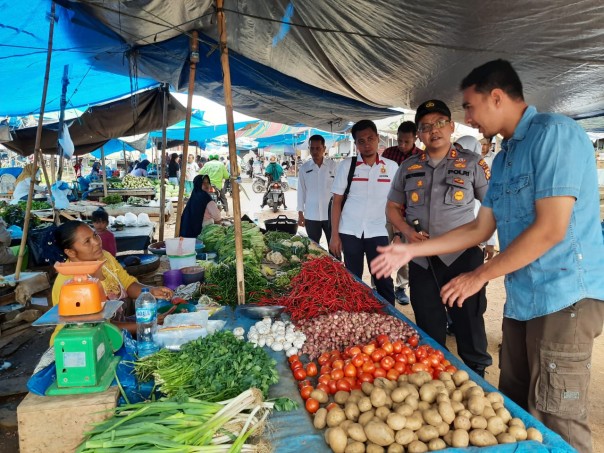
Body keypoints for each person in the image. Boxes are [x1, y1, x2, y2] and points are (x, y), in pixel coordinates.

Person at [371, 59, 604, 453]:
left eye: (469, 106)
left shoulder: (555, 135)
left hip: (565, 296)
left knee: (555, 415)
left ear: (496, 97)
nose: (467, 118)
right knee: (512, 405)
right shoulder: (504, 156)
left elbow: (550, 229)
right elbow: (480, 228)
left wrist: (479, 275)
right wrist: (412, 247)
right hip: (523, 298)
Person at [385, 100, 492, 376]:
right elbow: (393, 208)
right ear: (419, 134)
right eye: (426, 126)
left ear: (452, 126)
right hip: (422, 262)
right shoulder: (408, 167)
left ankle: (477, 376)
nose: (434, 130)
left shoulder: (472, 163)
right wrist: (406, 232)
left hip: (463, 258)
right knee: (429, 326)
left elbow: (493, 207)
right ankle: (435, 378)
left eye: (440, 123)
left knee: (468, 323)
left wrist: (488, 240)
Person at [51, 220, 173, 343]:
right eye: (87, 242)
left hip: (115, 333)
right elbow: (98, 326)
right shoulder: (71, 283)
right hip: (79, 343)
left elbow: (127, 283)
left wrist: (151, 291)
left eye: (95, 235)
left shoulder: (104, 257)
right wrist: (145, 325)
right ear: (70, 252)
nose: (97, 242)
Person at [329, 119, 397, 305]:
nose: (367, 144)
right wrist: (334, 235)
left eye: (370, 138)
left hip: (378, 231)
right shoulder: (347, 166)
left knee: (383, 279)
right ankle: (354, 315)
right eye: (361, 141)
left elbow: (397, 205)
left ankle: (390, 317)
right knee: (353, 278)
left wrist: (398, 233)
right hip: (350, 230)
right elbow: (337, 202)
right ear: (356, 143)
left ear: (378, 139)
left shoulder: (391, 168)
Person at [381, 121, 422, 305]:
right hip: (387, 211)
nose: (402, 145)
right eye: (399, 140)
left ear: (415, 138)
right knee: (382, 247)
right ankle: (379, 285)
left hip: (409, 214)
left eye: (406, 141)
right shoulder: (389, 154)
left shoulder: (421, 157)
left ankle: (401, 287)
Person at [297, 135, 337, 244]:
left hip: (331, 215)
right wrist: (300, 213)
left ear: (324, 148)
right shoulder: (304, 168)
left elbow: (339, 191)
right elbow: (301, 192)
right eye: (312, 148)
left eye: (318, 148)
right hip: (311, 215)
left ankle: (337, 261)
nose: (315, 151)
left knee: (335, 247)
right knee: (314, 247)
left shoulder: (333, 166)